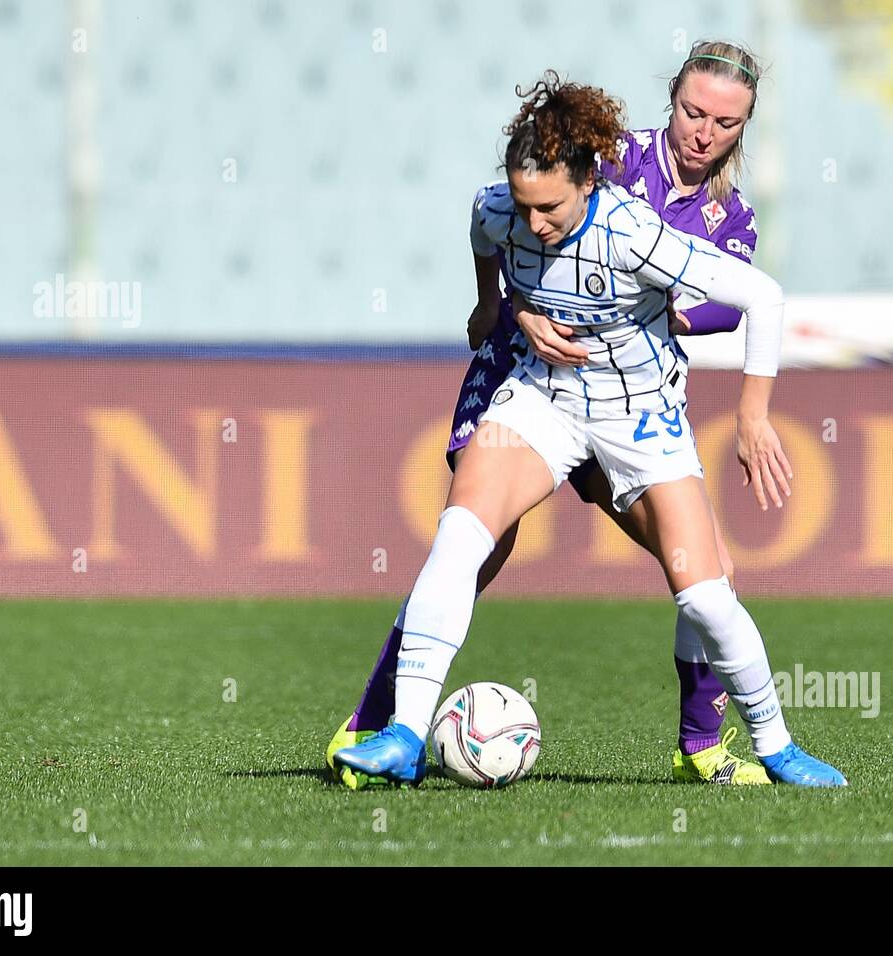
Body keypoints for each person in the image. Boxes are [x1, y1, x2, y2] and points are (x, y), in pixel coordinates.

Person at [332, 72, 846, 789]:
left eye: (549, 209)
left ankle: (776, 746)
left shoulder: (633, 231)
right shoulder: (506, 208)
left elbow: (762, 296)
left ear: (585, 184)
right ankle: (403, 734)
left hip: (637, 415)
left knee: (705, 592)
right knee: (462, 540)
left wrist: (754, 417)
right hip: (540, 398)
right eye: (524, 205)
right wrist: (499, 306)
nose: (533, 223)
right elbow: (485, 232)